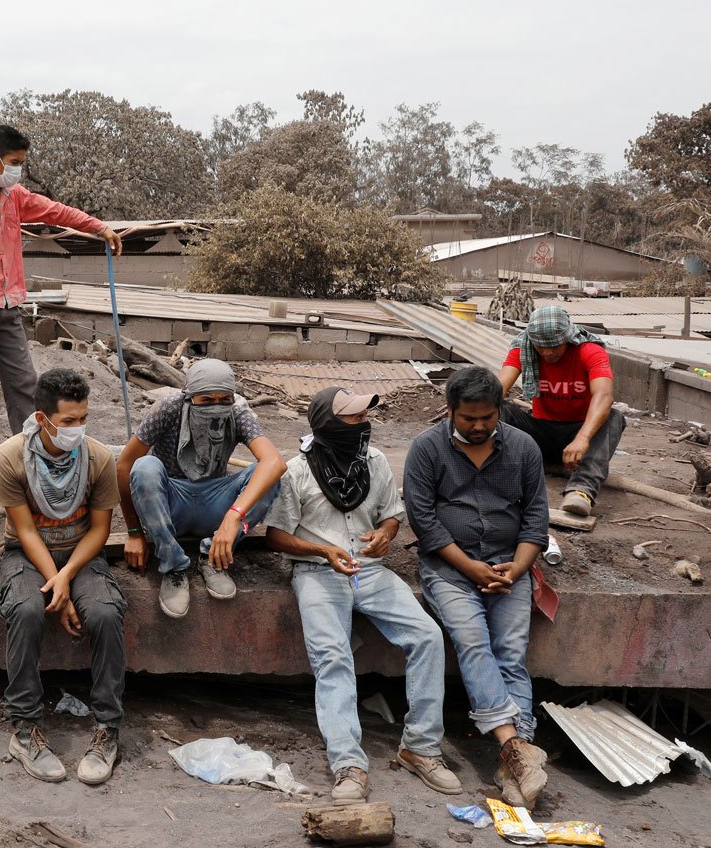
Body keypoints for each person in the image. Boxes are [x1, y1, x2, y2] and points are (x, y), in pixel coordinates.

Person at [265, 387, 462, 805]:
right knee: (333, 656)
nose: (363, 425)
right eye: (353, 419)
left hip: (369, 571)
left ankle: (421, 748)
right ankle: (348, 765)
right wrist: (322, 549)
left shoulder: (374, 463)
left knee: (427, 636)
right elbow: (277, 536)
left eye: (362, 418)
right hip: (318, 572)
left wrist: (385, 536)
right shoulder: (297, 471)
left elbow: (392, 515)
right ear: (329, 424)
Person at [404, 366, 550, 809]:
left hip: (510, 567)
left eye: (488, 417)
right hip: (449, 568)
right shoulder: (426, 448)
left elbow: (536, 520)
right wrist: (471, 569)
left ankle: (513, 768)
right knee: (472, 639)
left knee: (511, 651)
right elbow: (424, 523)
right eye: (469, 418)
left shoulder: (523, 447)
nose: (480, 425)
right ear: (450, 411)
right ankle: (515, 749)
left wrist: (516, 569)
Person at [0, 124, 123, 447]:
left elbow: (57, 212)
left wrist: (99, 227)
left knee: (24, 383)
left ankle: (29, 452)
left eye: (21, 163)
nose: (18, 170)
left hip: (9, 307)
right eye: (15, 162)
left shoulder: (15, 198)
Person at [0, 367, 125, 785]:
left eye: (84, 418)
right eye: (69, 421)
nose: (78, 429)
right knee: (28, 609)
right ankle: (24, 729)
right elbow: (26, 531)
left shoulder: (99, 457)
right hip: (26, 554)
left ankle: (107, 728)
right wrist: (58, 589)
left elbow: (101, 530)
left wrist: (67, 576)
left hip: (81, 556)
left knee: (105, 614)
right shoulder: (10, 456)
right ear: (43, 418)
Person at [116, 358, 285, 619]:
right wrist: (134, 532)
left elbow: (274, 462)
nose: (216, 406)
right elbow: (124, 464)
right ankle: (173, 566)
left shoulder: (237, 412)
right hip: (171, 503)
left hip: (216, 501)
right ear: (189, 396)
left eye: (223, 399)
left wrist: (233, 516)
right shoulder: (169, 408)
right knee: (145, 466)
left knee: (268, 475)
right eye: (206, 400)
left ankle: (212, 559)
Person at [498, 305, 624, 517]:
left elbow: (603, 395)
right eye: (541, 346)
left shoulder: (590, 351)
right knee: (496, 407)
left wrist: (583, 438)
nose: (547, 352)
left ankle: (581, 491)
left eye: (554, 346)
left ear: (567, 338)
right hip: (540, 434)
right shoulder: (523, 349)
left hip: (581, 438)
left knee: (614, 418)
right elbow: (498, 387)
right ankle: (494, 475)